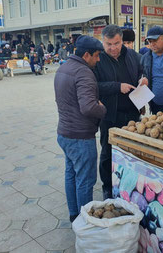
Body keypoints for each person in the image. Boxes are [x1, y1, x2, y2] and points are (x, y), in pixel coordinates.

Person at [55, 35, 107, 223]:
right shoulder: (84, 73)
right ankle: (86, 222)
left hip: (65, 133)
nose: (99, 59)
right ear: (87, 55)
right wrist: (102, 108)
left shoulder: (63, 68)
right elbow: (88, 107)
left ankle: (74, 214)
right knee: (85, 180)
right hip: (80, 137)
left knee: (71, 174)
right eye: (97, 55)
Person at [94, 25, 145, 199]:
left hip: (131, 113)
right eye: (108, 44)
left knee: (130, 152)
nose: (113, 48)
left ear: (122, 41)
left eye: (116, 43)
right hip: (109, 115)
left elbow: (141, 71)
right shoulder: (97, 58)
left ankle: (127, 185)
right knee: (108, 152)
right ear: (103, 42)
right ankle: (107, 187)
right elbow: (94, 86)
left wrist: (143, 78)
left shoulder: (132, 55)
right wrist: (117, 87)